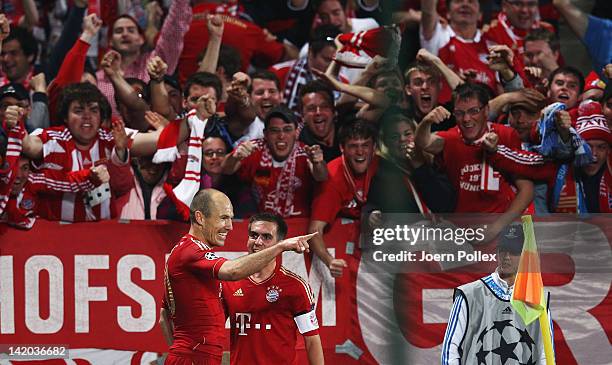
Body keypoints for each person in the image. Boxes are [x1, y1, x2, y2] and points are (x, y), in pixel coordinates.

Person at [160, 188, 316, 365]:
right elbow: (233, 271)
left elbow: (163, 315)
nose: (230, 226)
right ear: (200, 218)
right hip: (194, 358)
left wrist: (183, 351)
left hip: (197, 357)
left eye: (230, 218)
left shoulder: (190, 254)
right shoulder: (191, 251)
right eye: (223, 218)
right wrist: (280, 247)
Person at [441, 223, 552, 364]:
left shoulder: (537, 297)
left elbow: (545, 354)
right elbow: (450, 349)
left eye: (513, 252)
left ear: (526, 255)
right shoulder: (469, 295)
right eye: (502, 250)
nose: (506, 256)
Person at [222, 212, 324, 365]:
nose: (258, 242)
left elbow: (312, 340)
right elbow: (212, 329)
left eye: (266, 237)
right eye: (253, 235)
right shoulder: (229, 282)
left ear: (280, 244)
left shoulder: (295, 286)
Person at [222, 105, 328, 218]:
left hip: (298, 225)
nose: (281, 136)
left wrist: (318, 162)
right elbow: (225, 169)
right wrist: (235, 156)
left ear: (296, 132)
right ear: (265, 134)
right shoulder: (254, 149)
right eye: (274, 131)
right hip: (262, 225)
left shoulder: (306, 152)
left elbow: (321, 176)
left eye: (287, 130)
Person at [308, 120, 379, 277]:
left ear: (374, 148)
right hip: (346, 251)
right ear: (342, 148)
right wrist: (329, 261)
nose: (360, 152)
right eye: (353, 146)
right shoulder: (332, 177)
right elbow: (314, 231)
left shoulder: (384, 169)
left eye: (365, 145)